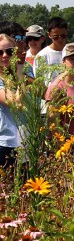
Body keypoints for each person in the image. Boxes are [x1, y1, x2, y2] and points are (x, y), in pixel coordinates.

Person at [0, 34, 22, 166]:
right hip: (4, 144)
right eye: (0, 52)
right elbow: (16, 103)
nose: (4, 55)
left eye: (9, 51)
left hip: (23, 143)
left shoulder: (19, 77)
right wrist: (20, 73)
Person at [34, 17, 69, 82]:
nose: (60, 39)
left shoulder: (72, 52)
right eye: (56, 37)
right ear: (49, 35)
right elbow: (38, 80)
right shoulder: (42, 55)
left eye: (63, 36)